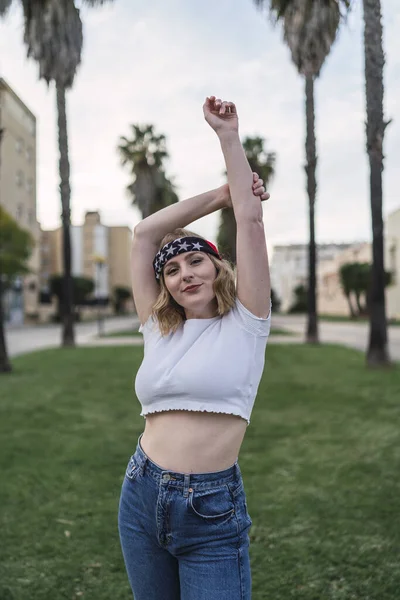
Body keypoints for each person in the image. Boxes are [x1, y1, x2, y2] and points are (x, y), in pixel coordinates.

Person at [118, 96, 272, 600]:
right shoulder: (158, 329)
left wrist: (228, 137)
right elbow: (144, 233)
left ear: (217, 266)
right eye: (172, 269)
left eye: (195, 261)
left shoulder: (247, 321)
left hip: (210, 508)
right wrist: (224, 192)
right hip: (140, 494)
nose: (185, 274)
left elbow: (250, 222)